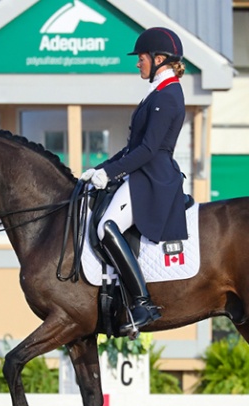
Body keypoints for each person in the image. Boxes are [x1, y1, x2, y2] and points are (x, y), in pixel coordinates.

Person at [80, 27, 188, 334]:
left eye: (141, 58)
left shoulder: (167, 96)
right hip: (143, 171)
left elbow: (149, 149)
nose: (137, 63)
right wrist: (98, 169)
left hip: (152, 178)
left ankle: (142, 302)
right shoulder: (158, 93)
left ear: (158, 58)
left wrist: (110, 174)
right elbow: (132, 148)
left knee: (105, 226)